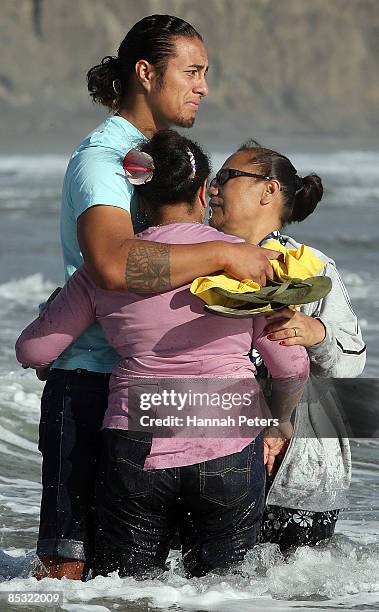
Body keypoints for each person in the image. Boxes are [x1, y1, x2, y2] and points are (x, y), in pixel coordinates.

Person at [34, 16, 280, 580]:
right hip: (92, 382)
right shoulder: (102, 160)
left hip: (144, 391)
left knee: (150, 584)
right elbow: (112, 264)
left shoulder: (153, 158)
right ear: (145, 73)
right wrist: (225, 256)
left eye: (206, 74)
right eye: (191, 72)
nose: (203, 87)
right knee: (63, 581)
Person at [16, 130, 309, 578]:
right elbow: (289, 363)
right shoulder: (247, 260)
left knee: (131, 590)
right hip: (228, 435)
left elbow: (34, 350)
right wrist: (281, 420)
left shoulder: (108, 269)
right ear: (201, 192)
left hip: (137, 439)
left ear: (138, 199)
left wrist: (56, 307)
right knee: (225, 590)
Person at [208, 140, 366, 550]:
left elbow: (353, 360)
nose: (212, 188)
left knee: (297, 593)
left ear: (269, 190)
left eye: (226, 177)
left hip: (303, 468)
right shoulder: (199, 259)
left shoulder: (312, 266)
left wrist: (318, 333)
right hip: (214, 456)